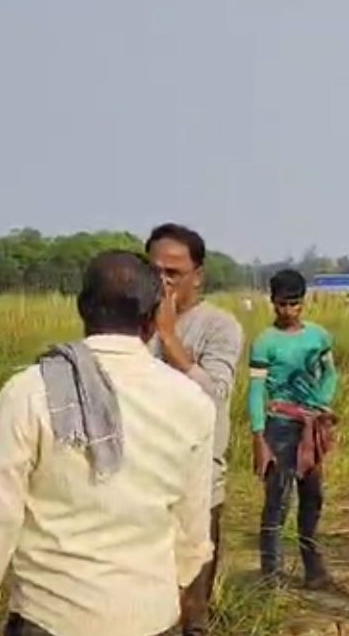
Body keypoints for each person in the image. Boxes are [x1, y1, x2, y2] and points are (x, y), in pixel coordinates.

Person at [0, 252, 214, 636]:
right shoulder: (190, 400)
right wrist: (169, 590)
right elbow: (192, 525)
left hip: (52, 617)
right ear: (154, 316)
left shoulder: (31, 391)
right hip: (151, 617)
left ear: (82, 308)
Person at [145, 224, 244, 636]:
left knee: (192, 610)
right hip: (142, 484)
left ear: (198, 276)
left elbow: (214, 394)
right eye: (155, 272)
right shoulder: (130, 324)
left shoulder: (219, 327)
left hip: (198, 486)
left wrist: (167, 335)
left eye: (174, 273)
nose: (163, 282)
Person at [247, 269, 338, 587]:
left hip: (310, 427)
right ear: (272, 303)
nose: (288, 311)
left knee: (312, 498)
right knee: (277, 502)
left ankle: (313, 568)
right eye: (282, 305)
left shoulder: (319, 337)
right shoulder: (264, 343)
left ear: (304, 302)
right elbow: (256, 391)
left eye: (294, 304)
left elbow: (329, 374)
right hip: (279, 427)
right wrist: (259, 436)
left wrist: (322, 402)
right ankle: (271, 575)